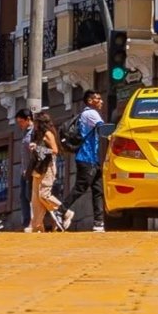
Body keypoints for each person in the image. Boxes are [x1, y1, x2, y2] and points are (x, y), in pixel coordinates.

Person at [57, 90, 106, 232]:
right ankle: (61, 210)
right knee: (80, 188)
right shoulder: (91, 113)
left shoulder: (86, 114)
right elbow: (103, 129)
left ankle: (98, 222)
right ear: (90, 101)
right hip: (86, 158)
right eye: (98, 99)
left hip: (92, 159)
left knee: (98, 190)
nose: (101, 101)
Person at [28, 110, 64, 233]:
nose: (33, 124)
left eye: (35, 122)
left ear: (40, 122)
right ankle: (36, 226)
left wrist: (38, 148)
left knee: (44, 194)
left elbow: (54, 151)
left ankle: (65, 211)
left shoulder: (48, 134)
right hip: (38, 167)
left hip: (47, 167)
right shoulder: (37, 134)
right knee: (35, 199)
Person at [14, 106, 34, 227]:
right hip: (24, 170)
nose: (20, 125)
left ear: (28, 119)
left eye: (21, 122)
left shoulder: (34, 132)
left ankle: (32, 221)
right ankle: (26, 221)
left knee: (30, 195)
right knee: (23, 196)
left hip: (31, 170)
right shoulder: (25, 133)